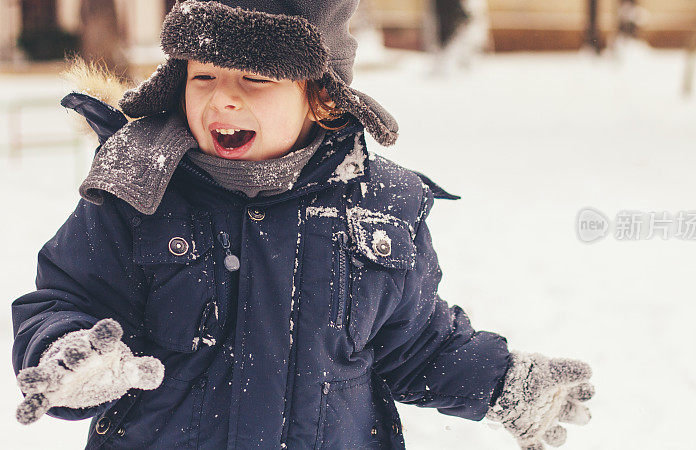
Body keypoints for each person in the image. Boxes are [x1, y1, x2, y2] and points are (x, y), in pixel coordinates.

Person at [10, 1, 594, 448]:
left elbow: (414, 342)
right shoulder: (139, 190)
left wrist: (502, 385)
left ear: (320, 98)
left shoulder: (382, 205)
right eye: (203, 77)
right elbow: (66, 296)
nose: (224, 101)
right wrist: (73, 354)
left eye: (255, 81)